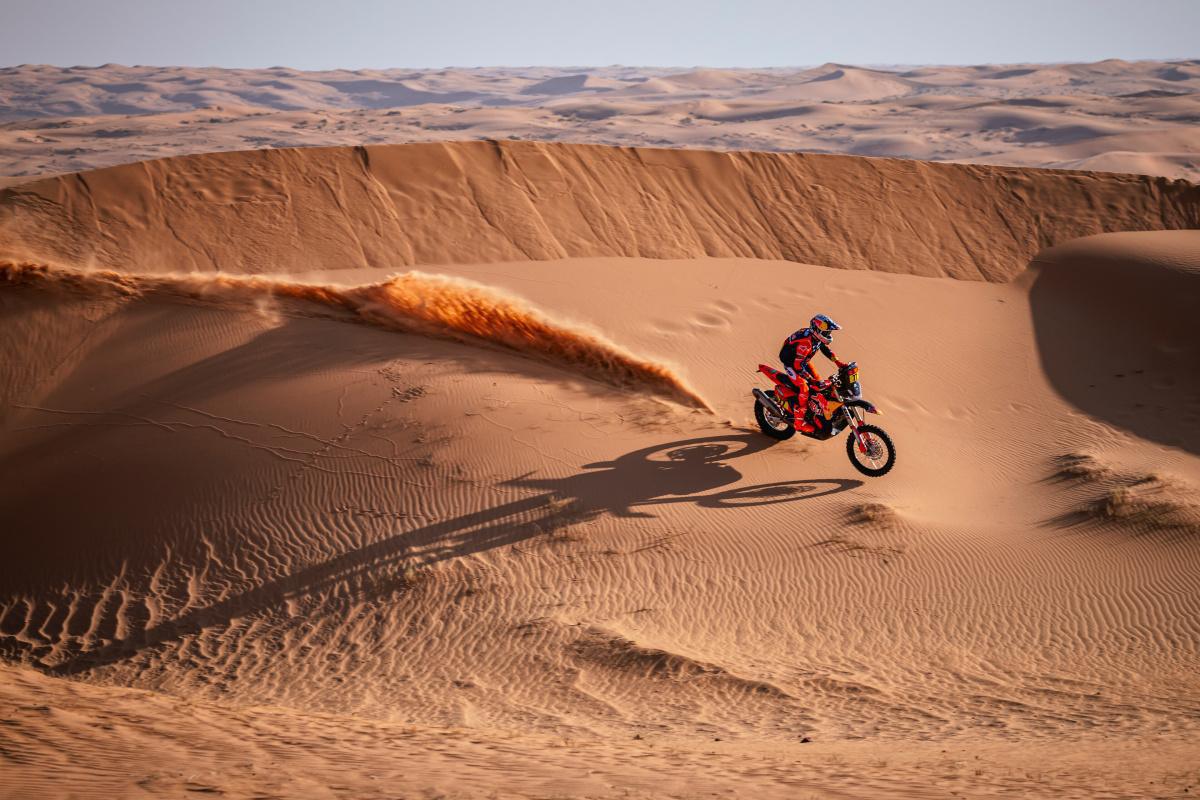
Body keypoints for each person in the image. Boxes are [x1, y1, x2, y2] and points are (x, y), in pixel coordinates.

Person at [777, 314, 848, 433]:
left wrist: (839, 363)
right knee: (804, 388)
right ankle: (800, 421)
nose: (829, 335)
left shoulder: (815, 337)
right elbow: (797, 367)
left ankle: (813, 409)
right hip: (792, 364)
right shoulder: (806, 343)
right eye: (826, 332)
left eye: (829, 332)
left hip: (803, 361)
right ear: (817, 330)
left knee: (819, 383)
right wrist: (810, 379)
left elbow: (825, 349)